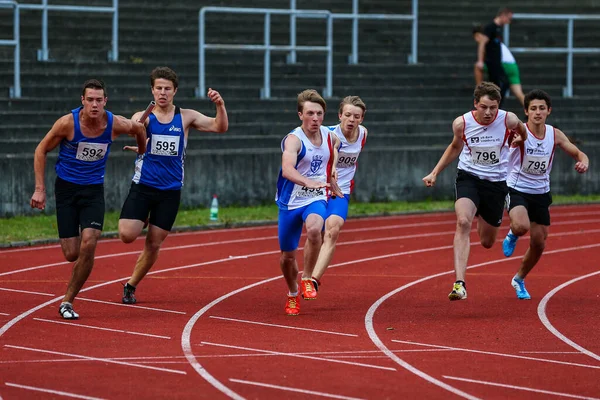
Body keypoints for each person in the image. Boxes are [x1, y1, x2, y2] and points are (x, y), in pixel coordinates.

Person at [30, 79, 147, 319]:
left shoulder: (114, 123)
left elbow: (139, 129)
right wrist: (39, 189)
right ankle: (71, 283)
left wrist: (142, 151)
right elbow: (41, 150)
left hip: (93, 190)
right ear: (82, 101)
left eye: (99, 100)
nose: (95, 105)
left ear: (105, 101)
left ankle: (67, 301)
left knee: (90, 241)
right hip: (66, 189)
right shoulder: (67, 124)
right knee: (72, 253)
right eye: (90, 100)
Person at [118, 66, 228, 304]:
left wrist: (219, 105)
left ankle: (131, 285)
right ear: (152, 90)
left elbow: (220, 127)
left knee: (154, 243)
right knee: (127, 235)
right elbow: (133, 125)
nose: (163, 93)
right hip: (144, 186)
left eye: (167, 89)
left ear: (175, 91)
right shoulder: (144, 115)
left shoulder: (186, 116)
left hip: (170, 191)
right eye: (158, 88)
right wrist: (137, 126)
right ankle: (143, 216)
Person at [422, 81, 527, 301]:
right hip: (468, 177)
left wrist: (521, 139)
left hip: (496, 183)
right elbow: (454, 146)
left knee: (487, 242)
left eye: (493, 108)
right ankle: (459, 284)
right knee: (462, 221)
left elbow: (522, 130)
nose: (488, 113)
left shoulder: (508, 119)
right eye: (484, 107)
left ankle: (481, 213)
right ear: (475, 104)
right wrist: (435, 172)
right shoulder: (462, 123)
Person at [502, 89, 589, 299]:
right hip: (517, 188)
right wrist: (512, 143)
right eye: (533, 109)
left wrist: (584, 161)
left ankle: (519, 279)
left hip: (541, 192)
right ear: (526, 112)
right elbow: (506, 144)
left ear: (548, 111)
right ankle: (513, 233)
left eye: (542, 108)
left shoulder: (554, 134)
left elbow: (577, 151)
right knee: (521, 226)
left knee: (539, 243)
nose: (538, 113)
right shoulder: (519, 132)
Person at [275, 89, 343, 316]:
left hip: (316, 197)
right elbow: (287, 170)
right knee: (286, 257)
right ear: (300, 115)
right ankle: (293, 293)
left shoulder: (331, 137)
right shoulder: (293, 140)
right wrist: (309, 182)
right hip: (290, 201)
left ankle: (306, 279)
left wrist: (331, 179)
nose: (315, 118)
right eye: (310, 113)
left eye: (320, 114)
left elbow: (333, 156)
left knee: (315, 229)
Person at [310, 96, 368, 293]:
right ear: (340, 115)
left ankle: (313, 281)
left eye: (357, 116)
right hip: (320, 187)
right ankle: (307, 272)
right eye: (348, 115)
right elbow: (333, 152)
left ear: (362, 119)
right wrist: (332, 170)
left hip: (340, 191)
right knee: (315, 233)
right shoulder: (330, 134)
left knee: (332, 230)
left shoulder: (363, 134)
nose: (352, 120)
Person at [473, 24, 525, 106]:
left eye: (476, 37)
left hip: (503, 65)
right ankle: (529, 110)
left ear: (478, 35)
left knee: (478, 67)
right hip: (513, 66)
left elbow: (485, 62)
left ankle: (479, 92)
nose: (476, 40)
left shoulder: (487, 42)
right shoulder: (496, 42)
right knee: (519, 93)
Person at [476, 7, 514, 107]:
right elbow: (482, 44)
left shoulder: (498, 28)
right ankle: (494, 105)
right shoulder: (490, 27)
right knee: (501, 84)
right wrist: (480, 60)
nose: (509, 22)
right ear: (503, 15)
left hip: (497, 61)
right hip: (491, 62)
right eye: (508, 19)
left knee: (500, 85)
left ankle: (495, 106)